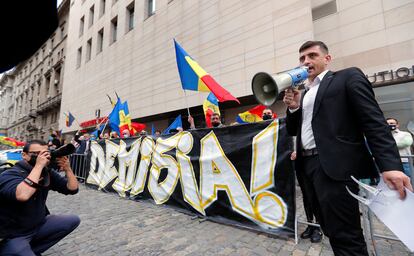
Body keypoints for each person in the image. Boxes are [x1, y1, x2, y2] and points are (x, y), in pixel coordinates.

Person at [283, 40, 412, 255]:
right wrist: (294, 108)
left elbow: (372, 120)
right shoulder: (304, 93)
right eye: (302, 58)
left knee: (346, 234)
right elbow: (293, 130)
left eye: (312, 56)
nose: (306, 61)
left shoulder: (346, 77)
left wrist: (390, 165)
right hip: (308, 167)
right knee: (329, 228)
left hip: (334, 168)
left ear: (327, 59)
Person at [0, 140, 80, 255]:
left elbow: (72, 189)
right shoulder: (10, 174)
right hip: (14, 233)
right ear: (24, 155)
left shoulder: (46, 172)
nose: (42, 157)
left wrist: (67, 169)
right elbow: (22, 195)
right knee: (19, 250)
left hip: (37, 225)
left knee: (72, 220)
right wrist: (38, 165)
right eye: (37, 153)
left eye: (45, 153)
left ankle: (32, 250)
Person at [291, 150, 322, 243]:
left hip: (316, 158)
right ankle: (310, 225)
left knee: (316, 195)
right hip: (301, 161)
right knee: (306, 195)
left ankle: (318, 227)